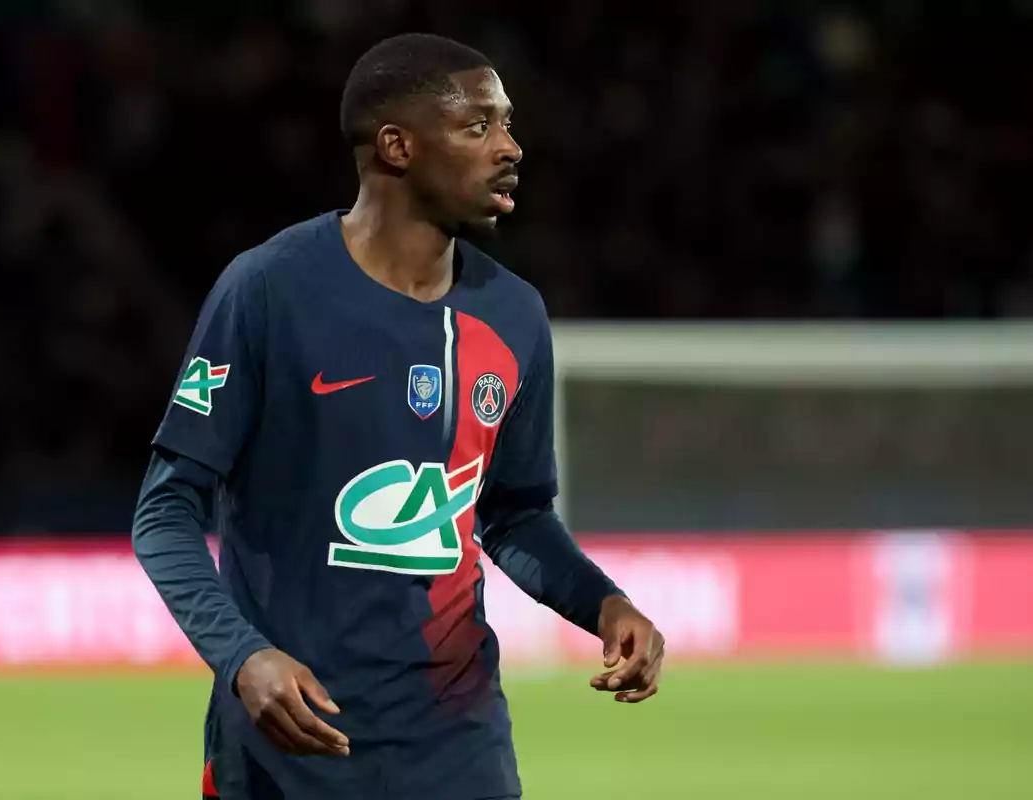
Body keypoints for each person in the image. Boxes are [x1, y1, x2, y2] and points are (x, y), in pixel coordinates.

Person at [132, 32, 665, 800]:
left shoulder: (514, 316)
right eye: (479, 125)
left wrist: (605, 604)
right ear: (396, 146)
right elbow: (165, 510)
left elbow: (512, 514)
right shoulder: (269, 292)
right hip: (290, 747)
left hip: (458, 747)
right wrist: (242, 656)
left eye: (508, 123)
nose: (511, 146)